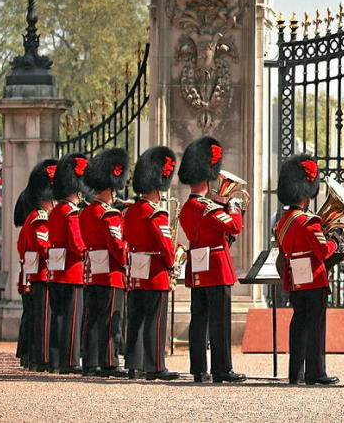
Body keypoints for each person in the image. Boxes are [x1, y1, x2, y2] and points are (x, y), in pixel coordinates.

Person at [178, 136, 246, 384]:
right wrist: (234, 205)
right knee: (219, 321)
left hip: (198, 266)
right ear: (208, 175)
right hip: (216, 267)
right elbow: (236, 226)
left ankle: (199, 369)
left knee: (199, 320)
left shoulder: (187, 207)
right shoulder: (208, 208)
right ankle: (222, 369)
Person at [274, 153, 342, 386]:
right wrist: (336, 242)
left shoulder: (282, 222)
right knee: (315, 327)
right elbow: (323, 252)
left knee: (298, 324)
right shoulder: (308, 221)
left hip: (295, 279)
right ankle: (316, 372)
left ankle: (296, 372)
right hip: (313, 279)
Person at [123, 145, 179, 381]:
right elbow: (166, 246)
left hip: (136, 266)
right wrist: (171, 263)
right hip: (155, 269)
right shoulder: (157, 213)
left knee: (135, 318)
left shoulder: (131, 211)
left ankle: (133, 365)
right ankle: (155, 366)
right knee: (155, 321)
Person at [80, 148, 130, 378]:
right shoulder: (110, 215)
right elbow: (117, 246)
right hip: (110, 272)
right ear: (112, 187)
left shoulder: (86, 213)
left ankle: (90, 362)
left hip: (92, 271)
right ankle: (109, 361)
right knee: (110, 319)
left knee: (92, 318)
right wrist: (127, 260)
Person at [46, 152, 88, 374]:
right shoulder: (71, 212)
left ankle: (55, 359)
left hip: (57, 271)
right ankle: (70, 360)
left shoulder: (55, 212)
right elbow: (77, 243)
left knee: (59, 317)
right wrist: (88, 253)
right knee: (72, 319)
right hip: (72, 270)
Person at [21, 160, 57, 372]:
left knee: (39, 318)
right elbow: (45, 247)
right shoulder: (40, 219)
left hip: (40, 274)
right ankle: (42, 358)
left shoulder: (35, 217)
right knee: (43, 319)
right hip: (43, 274)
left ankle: (36, 357)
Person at [12, 186, 34, 371]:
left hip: (27, 274)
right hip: (31, 274)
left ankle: (26, 353)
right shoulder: (31, 224)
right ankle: (28, 353)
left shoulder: (27, 226)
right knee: (32, 315)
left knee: (30, 315)